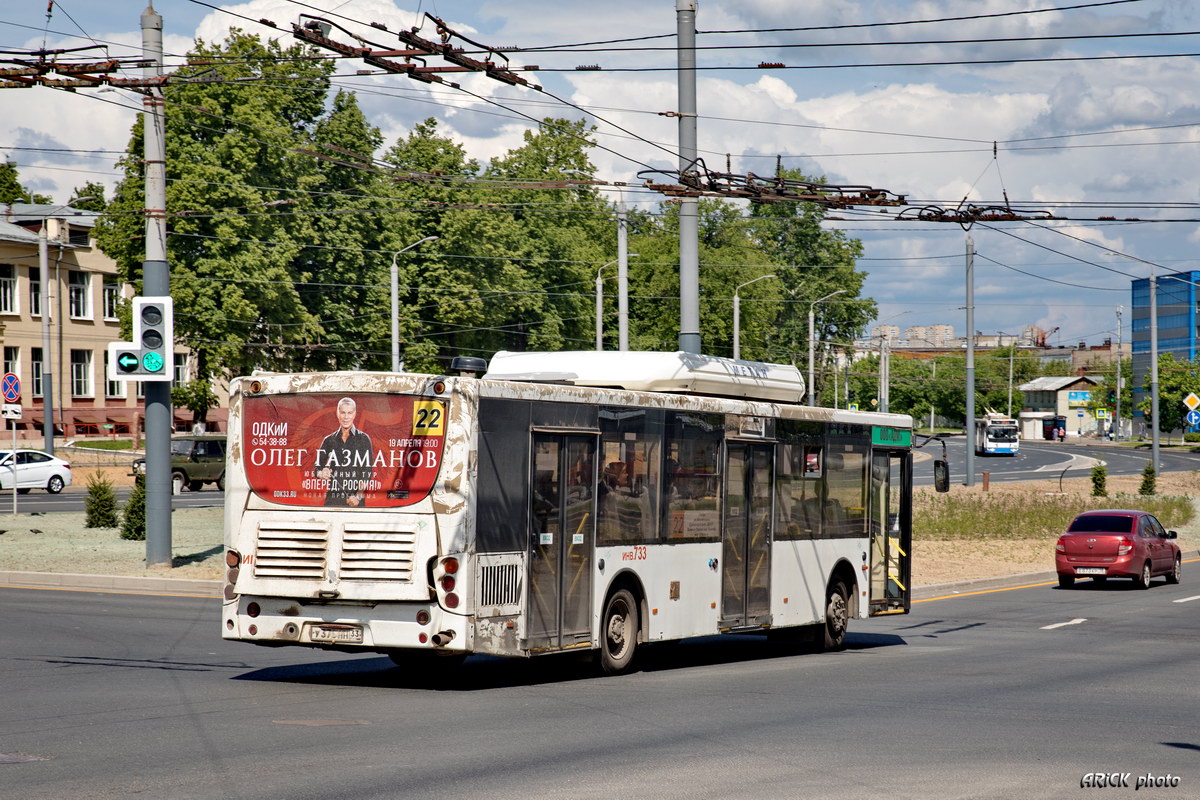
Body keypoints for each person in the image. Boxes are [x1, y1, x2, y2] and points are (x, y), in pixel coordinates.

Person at [315, 397, 373, 506]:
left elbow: (367, 472)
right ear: (337, 413)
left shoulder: (364, 439)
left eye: (349, 413)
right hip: (332, 500)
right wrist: (321, 473)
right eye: (343, 413)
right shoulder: (329, 440)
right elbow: (317, 467)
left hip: (356, 502)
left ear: (354, 414)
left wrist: (358, 497)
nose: (346, 417)